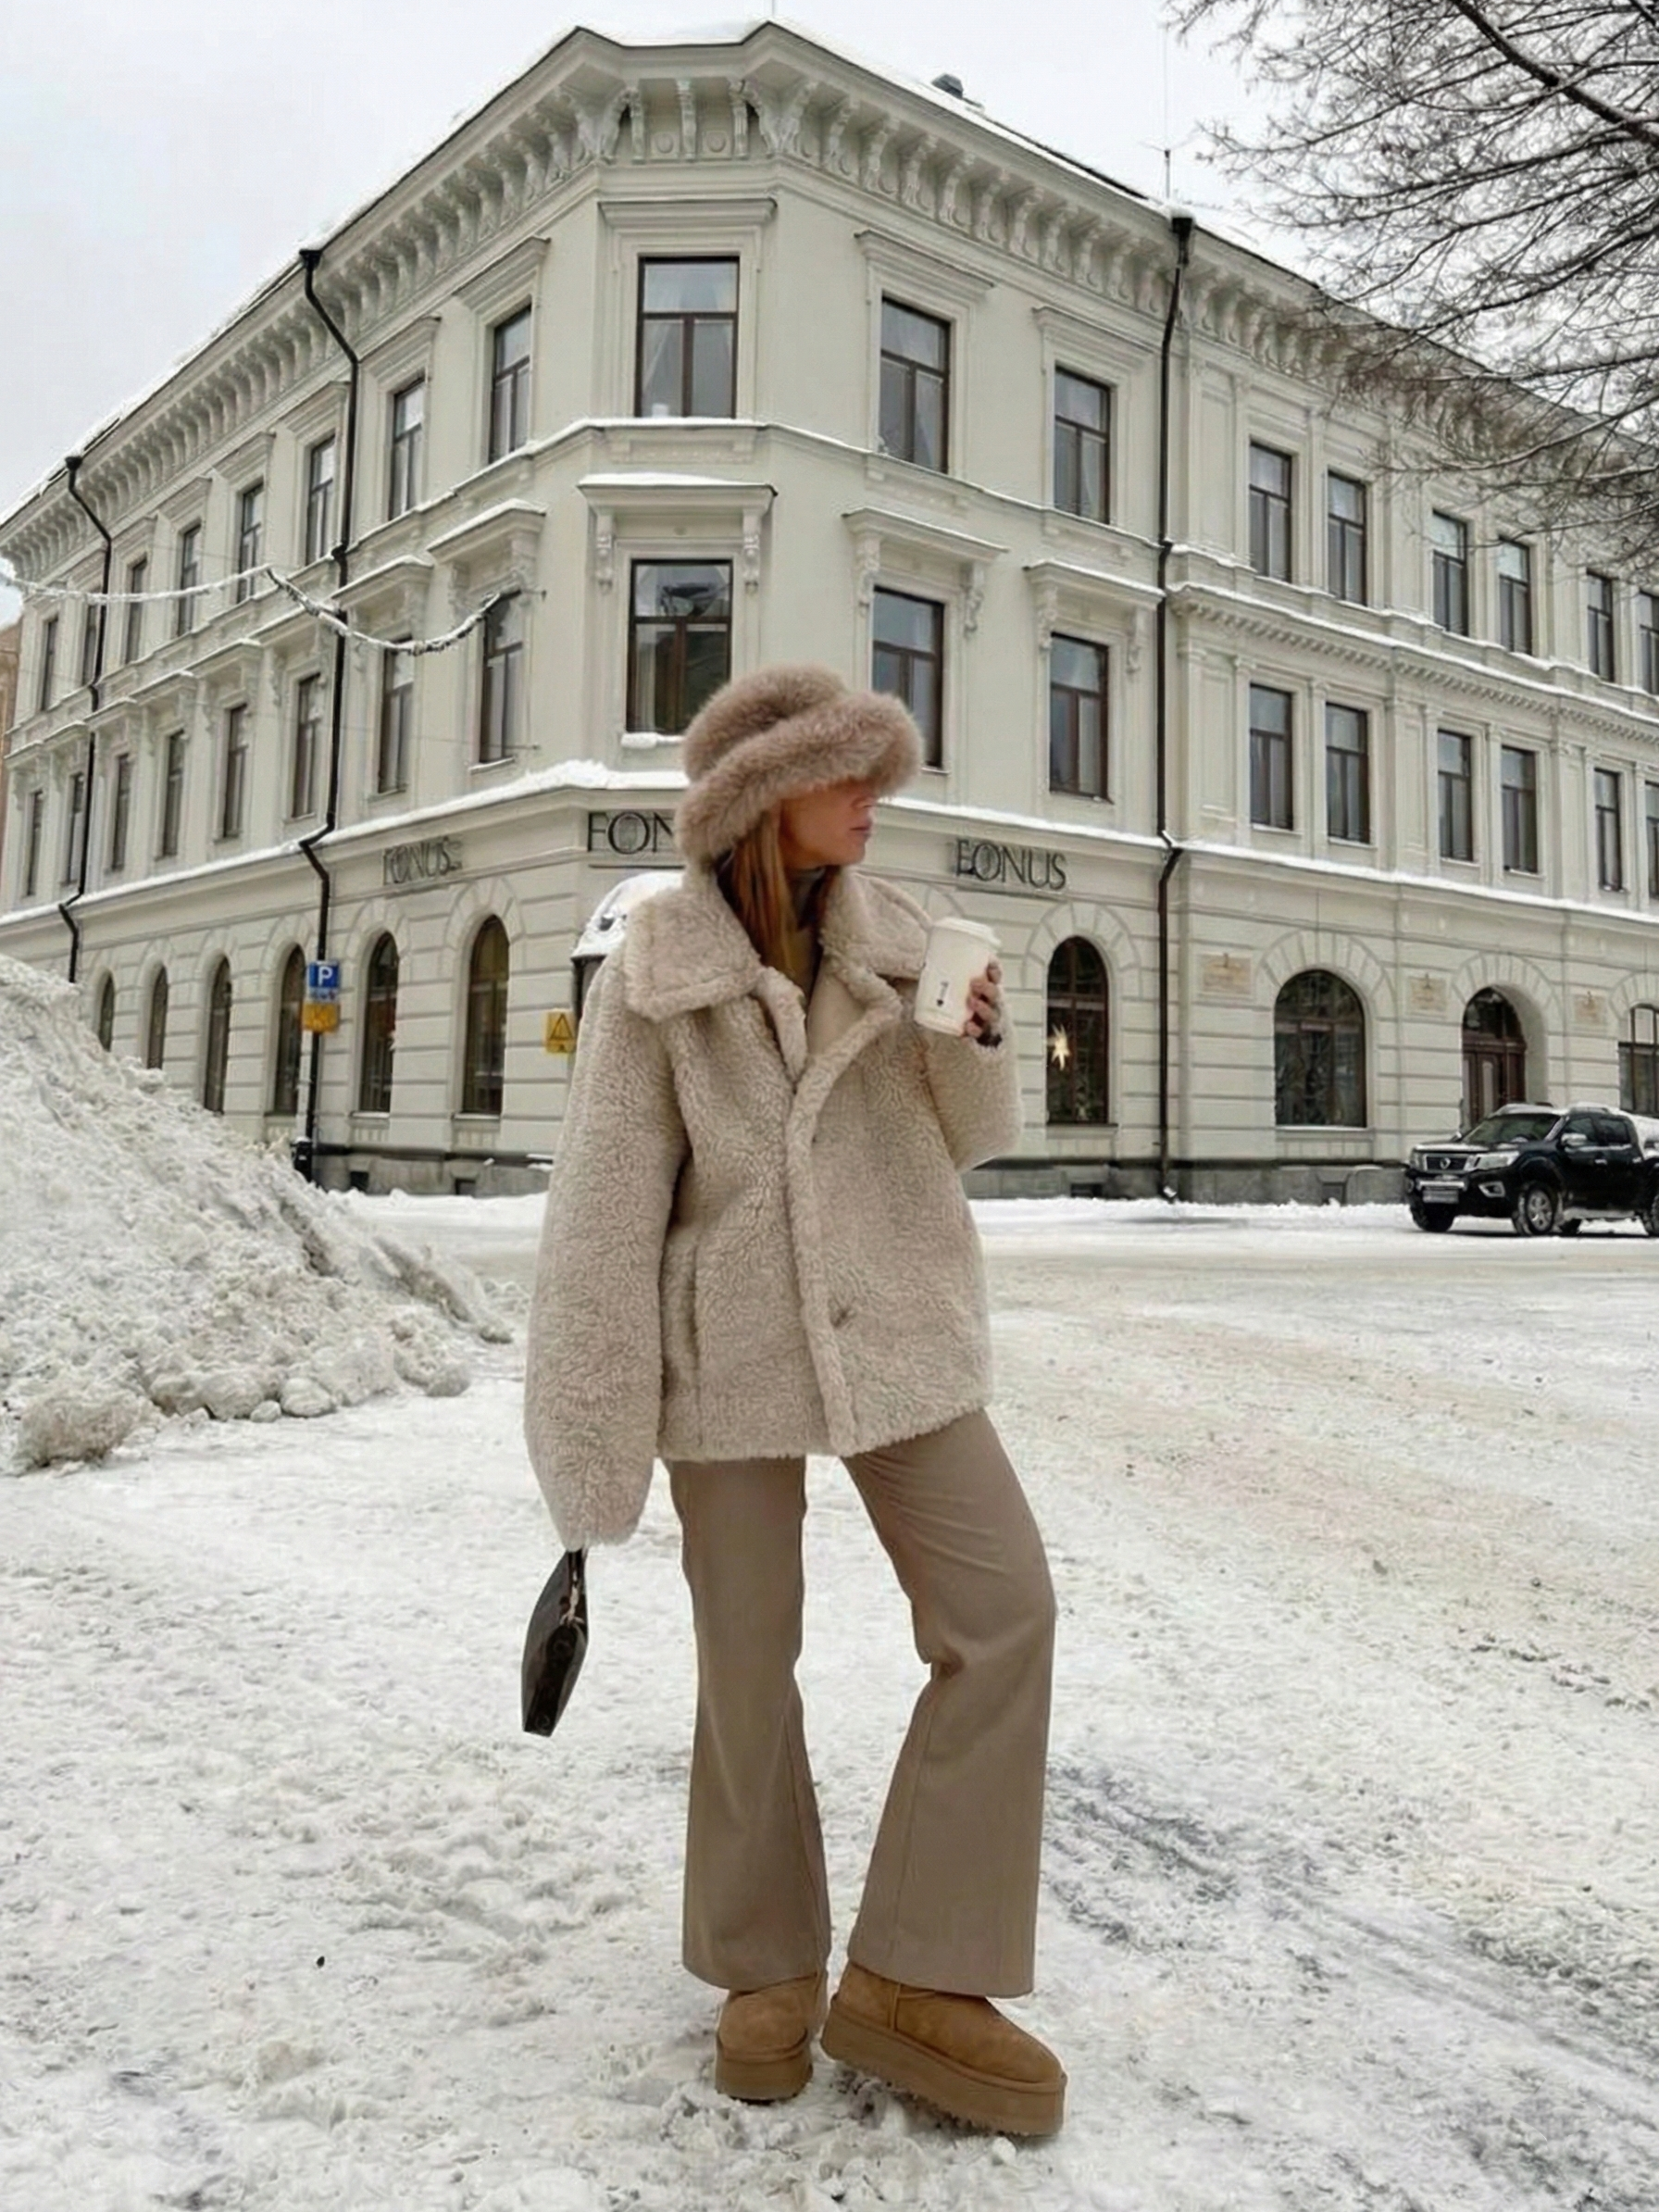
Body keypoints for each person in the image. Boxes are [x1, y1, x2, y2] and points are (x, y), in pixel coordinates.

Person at [524, 663, 1064, 2136]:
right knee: (747, 1663)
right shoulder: (659, 971)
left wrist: (977, 1042)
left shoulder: (904, 940)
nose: (876, 800)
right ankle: (762, 1966)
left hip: (904, 1326)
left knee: (1004, 1610)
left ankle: (916, 1974)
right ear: (767, 802)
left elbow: (966, 1144)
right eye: (851, 777)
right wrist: (590, 1462)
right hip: (734, 1355)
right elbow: (602, 1218)